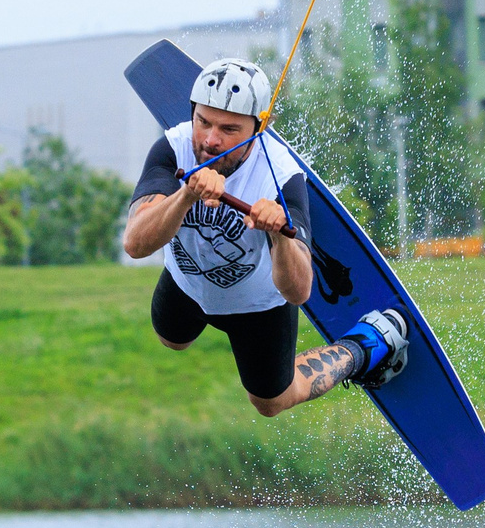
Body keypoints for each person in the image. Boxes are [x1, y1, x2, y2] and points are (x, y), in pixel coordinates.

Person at [123, 58, 406, 416]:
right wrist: (187, 194)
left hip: (257, 306)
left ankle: (365, 345)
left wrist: (281, 238)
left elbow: (300, 291)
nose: (210, 140)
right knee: (171, 339)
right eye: (203, 122)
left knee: (271, 402)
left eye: (229, 129)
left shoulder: (282, 177)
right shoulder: (173, 148)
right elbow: (135, 243)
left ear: (260, 127)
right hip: (188, 285)